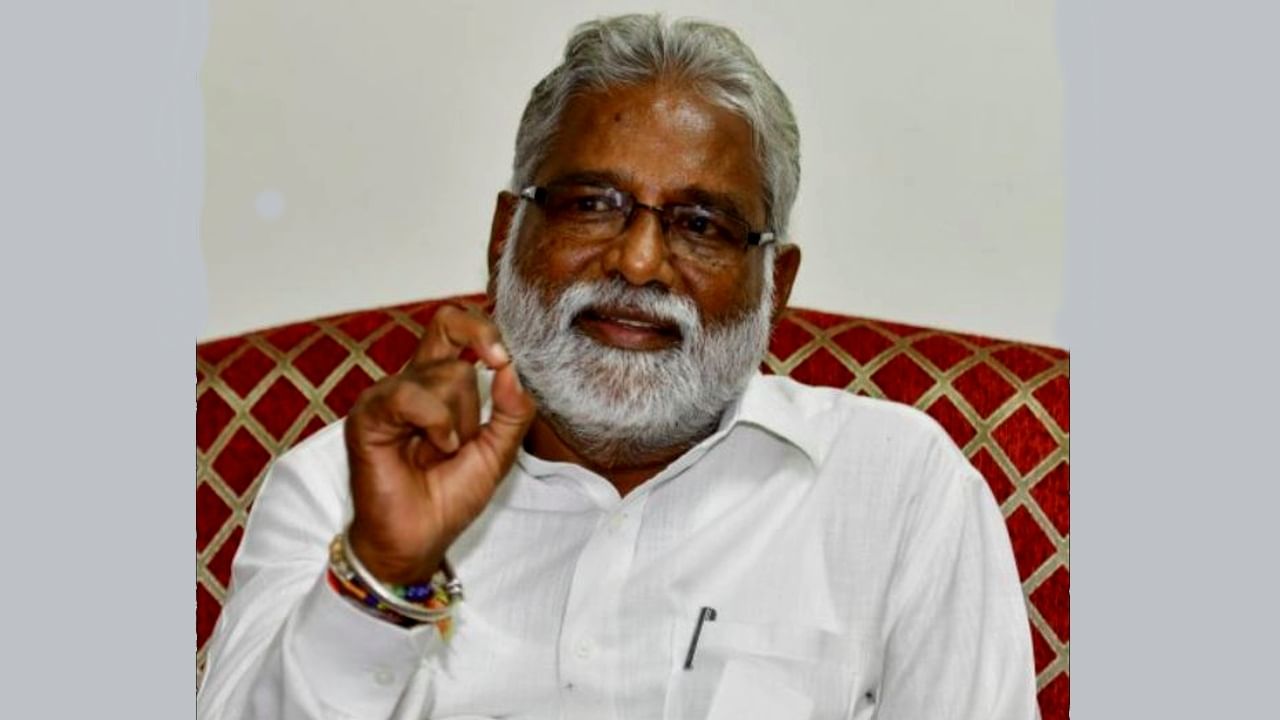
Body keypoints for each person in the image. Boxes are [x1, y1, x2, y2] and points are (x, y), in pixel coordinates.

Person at [196, 13, 1037, 720]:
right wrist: (384, 574)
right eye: (592, 204)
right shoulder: (339, 490)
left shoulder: (898, 489)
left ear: (775, 286)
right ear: (503, 239)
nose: (637, 263)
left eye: (701, 224)